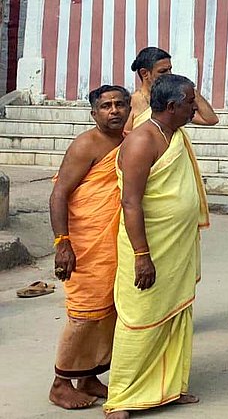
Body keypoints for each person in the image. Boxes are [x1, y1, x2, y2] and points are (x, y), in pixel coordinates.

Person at [105, 74, 209, 419]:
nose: (194, 108)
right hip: (148, 249)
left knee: (176, 315)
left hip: (176, 247)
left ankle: (168, 388)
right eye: (190, 102)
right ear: (172, 106)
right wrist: (142, 256)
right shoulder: (142, 141)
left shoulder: (174, 134)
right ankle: (121, 398)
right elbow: (130, 203)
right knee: (140, 317)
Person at [48, 85, 131, 410]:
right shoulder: (86, 144)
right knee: (84, 315)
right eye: (106, 106)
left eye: (120, 104)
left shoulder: (128, 141)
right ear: (94, 113)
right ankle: (60, 384)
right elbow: (59, 194)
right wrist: (62, 243)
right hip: (84, 245)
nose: (114, 111)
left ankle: (88, 377)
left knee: (107, 313)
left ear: (128, 109)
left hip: (113, 244)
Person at [125, 47, 218, 131]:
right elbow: (125, 137)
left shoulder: (174, 100)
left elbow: (210, 119)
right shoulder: (131, 103)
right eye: (163, 71)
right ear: (144, 73)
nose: (169, 74)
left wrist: (189, 90)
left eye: (170, 69)